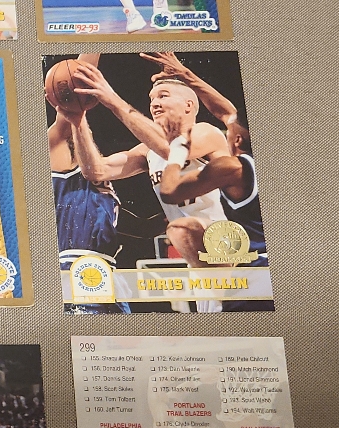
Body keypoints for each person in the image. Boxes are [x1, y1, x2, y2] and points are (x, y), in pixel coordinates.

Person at [65, 60, 233, 310]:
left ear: (188, 105)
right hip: (196, 256)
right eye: (151, 99)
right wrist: (77, 122)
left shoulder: (206, 132)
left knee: (182, 229)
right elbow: (96, 170)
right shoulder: (148, 152)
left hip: (227, 242)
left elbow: (170, 150)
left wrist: (112, 99)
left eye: (163, 96)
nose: (154, 103)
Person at [141, 51, 271, 312]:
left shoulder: (231, 167)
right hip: (244, 261)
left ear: (237, 139)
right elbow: (228, 113)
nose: (227, 127)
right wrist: (185, 73)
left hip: (244, 262)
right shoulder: (245, 162)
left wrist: (111, 100)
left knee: (182, 228)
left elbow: (170, 190)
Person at [47, 54, 129, 314]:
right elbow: (68, 107)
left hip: (109, 274)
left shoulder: (106, 176)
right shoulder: (63, 168)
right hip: (73, 271)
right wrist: (94, 45)